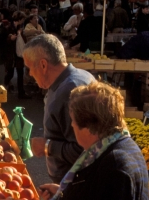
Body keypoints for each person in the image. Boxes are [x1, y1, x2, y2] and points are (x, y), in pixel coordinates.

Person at [22, 34, 95, 182]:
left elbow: (85, 149)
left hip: (76, 183)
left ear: (43, 65)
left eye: (30, 67)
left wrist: (47, 146)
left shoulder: (69, 92)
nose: (29, 73)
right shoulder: (80, 76)